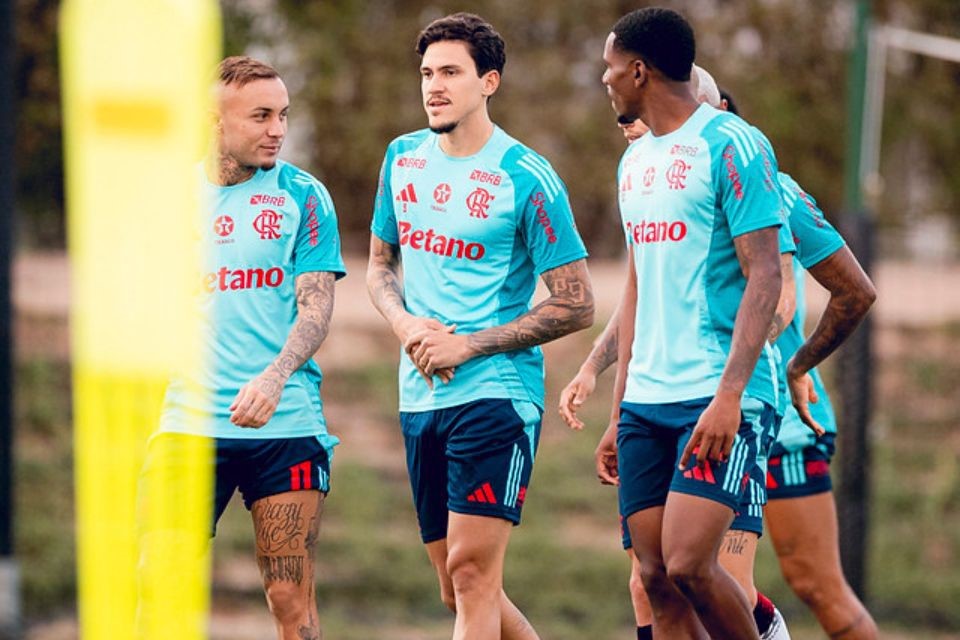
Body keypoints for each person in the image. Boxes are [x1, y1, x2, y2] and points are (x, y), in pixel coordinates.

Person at [366, 13, 594, 639]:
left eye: (450, 73)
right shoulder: (401, 157)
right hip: (419, 397)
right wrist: (406, 322)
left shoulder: (527, 175)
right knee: (458, 587)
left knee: (471, 574)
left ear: (489, 81)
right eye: (426, 74)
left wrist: (466, 345)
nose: (433, 86)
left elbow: (576, 303)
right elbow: (379, 268)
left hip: (498, 394)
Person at [562, 69, 793, 640]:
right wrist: (608, 392)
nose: (605, 79)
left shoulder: (740, 156)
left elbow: (784, 289)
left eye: (613, 67)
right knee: (653, 579)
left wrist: (787, 366)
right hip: (648, 401)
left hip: (722, 398)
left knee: (704, 568)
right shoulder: (635, 168)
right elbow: (640, 297)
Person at [137, 56, 346, 640]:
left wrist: (275, 376)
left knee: (288, 594)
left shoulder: (304, 195)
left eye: (283, 114)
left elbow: (317, 305)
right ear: (213, 120)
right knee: (159, 584)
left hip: (284, 425)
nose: (277, 129)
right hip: (187, 421)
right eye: (261, 116)